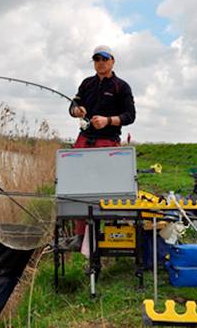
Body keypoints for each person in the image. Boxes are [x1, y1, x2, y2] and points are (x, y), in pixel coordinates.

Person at [63, 45, 136, 251]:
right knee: (78, 188)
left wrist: (108, 120)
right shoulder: (86, 84)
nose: (100, 63)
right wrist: (77, 111)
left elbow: (130, 116)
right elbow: (72, 106)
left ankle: (107, 234)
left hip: (108, 143)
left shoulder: (122, 87)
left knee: (107, 190)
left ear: (112, 61)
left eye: (104, 59)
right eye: (96, 59)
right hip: (84, 140)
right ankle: (80, 236)